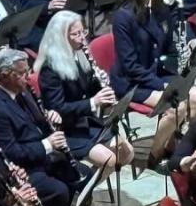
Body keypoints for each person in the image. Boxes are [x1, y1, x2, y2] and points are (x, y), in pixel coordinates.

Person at [109, 0, 196, 161]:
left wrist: (188, 48)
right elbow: (130, 66)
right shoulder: (123, 16)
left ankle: (175, 147)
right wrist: (163, 85)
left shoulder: (160, 8)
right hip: (133, 82)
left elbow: (171, 43)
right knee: (176, 105)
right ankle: (154, 155)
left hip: (157, 72)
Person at [0, 48, 88, 206]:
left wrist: (51, 116)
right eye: (22, 73)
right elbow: (11, 152)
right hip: (23, 169)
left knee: (85, 175)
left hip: (41, 158)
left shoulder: (22, 89)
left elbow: (38, 121)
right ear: (4, 75)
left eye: (28, 71)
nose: (28, 77)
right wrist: (48, 144)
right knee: (58, 191)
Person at [34, 10, 134, 182]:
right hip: (66, 130)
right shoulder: (50, 69)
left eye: (83, 32)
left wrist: (100, 85)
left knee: (127, 153)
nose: (82, 38)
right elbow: (59, 108)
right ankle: (82, 192)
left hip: (85, 123)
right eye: (76, 34)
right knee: (109, 161)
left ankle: (87, 184)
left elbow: (86, 90)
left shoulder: (79, 55)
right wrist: (93, 102)